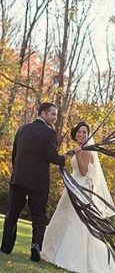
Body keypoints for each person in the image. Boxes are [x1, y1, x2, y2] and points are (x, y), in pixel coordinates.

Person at [41, 121, 115, 273]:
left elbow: (84, 172)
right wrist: (66, 186)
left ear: (88, 135)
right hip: (74, 187)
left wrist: (77, 153)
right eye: (79, 131)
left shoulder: (85, 150)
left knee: (76, 222)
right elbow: (76, 173)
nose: (81, 134)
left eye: (84, 132)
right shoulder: (81, 148)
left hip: (81, 191)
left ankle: (70, 257)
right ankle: (55, 252)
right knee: (63, 218)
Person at [0, 102, 71, 262]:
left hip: (18, 178)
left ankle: (5, 247)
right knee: (39, 216)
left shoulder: (22, 129)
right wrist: (64, 158)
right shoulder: (49, 133)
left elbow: (15, 154)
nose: (55, 117)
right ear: (43, 113)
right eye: (53, 114)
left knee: (12, 213)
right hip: (38, 183)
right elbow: (52, 156)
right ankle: (36, 247)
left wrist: (18, 171)